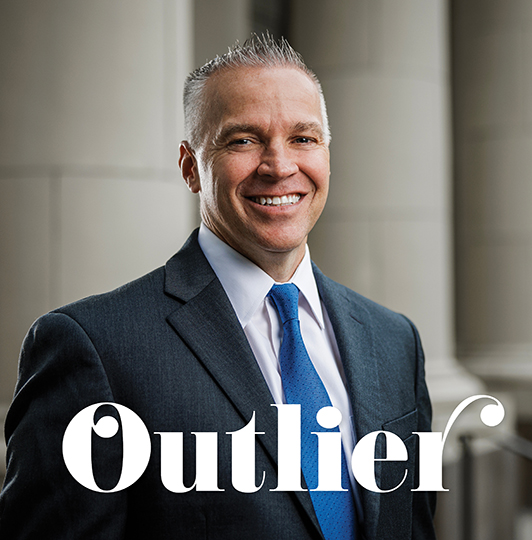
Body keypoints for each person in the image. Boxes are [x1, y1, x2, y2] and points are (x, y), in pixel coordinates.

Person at [0, 35, 436, 539]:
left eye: (303, 138)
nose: (279, 166)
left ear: (327, 156)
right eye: (243, 140)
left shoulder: (395, 340)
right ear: (191, 168)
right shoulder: (94, 348)